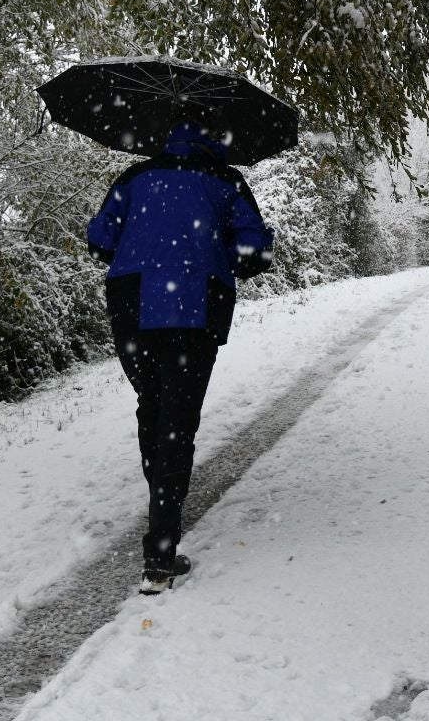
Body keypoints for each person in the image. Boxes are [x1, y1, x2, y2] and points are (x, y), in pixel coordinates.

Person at [87, 120, 274, 593]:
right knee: (179, 414)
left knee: (152, 402)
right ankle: (161, 552)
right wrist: (220, 251)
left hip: (132, 303)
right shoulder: (225, 181)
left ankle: (162, 500)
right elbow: (255, 251)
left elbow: (99, 240)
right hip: (196, 301)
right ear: (214, 139)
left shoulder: (133, 178)